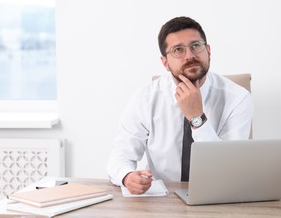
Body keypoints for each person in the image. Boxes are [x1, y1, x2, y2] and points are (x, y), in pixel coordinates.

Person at [106, 16, 253, 194]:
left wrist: (197, 117)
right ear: (165, 63)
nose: (190, 56)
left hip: (218, 195)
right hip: (163, 200)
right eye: (178, 50)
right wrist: (127, 176)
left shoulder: (237, 98)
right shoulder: (145, 98)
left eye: (196, 46)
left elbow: (229, 169)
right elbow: (120, 155)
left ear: (208, 51)